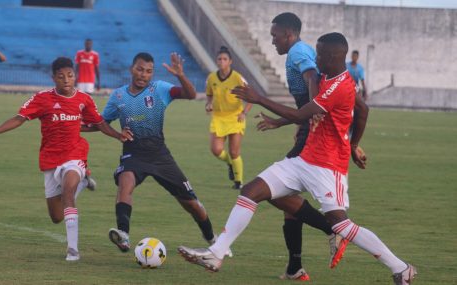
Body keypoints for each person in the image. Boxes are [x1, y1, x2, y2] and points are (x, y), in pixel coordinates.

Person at [178, 33, 416, 285]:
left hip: (328, 168)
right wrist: (353, 144)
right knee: (251, 191)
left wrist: (259, 98)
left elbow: (304, 114)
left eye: (320, 54)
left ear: (334, 56)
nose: (316, 58)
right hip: (304, 160)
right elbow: (360, 110)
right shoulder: (327, 76)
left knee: (341, 226)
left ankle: (401, 268)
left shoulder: (339, 86)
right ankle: (216, 254)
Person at [0, 57, 130, 261]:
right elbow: (19, 118)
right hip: (50, 158)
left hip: (75, 154)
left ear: (75, 76)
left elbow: (99, 124)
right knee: (56, 216)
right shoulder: (42, 99)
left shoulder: (84, 99)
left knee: (68, 192)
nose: (66, 80)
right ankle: (83, 183)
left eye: (70, 75)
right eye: (61, 76)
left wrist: (119, 135)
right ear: (53, 78)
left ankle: (72, 250)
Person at [85, 52, 223, 255]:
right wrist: (74, 125)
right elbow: (100, 123)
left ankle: (212, 239)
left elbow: (191, 94)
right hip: (133, 153)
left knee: (191, 204)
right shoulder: (118, 96)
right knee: (125, 183)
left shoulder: (159, 89)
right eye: (140, 69)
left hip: (160, 155)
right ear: (132, 69)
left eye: (148, 71)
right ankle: (123, 234)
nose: (143, 74)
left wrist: (180, 75)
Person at [260, 12, 359, 280]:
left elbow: (311, 79)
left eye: (274, 35)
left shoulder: (297, 53)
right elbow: (360, 107)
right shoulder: (304, 54)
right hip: (308, 129)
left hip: (314, 136)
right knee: (286, 199)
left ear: (288, 34)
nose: (272, 41)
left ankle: (333, 229)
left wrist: (312, 118)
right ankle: (294, 266)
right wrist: (353, 143)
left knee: (275, 193)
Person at [205, 46, 252, 189]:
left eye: (224, 59)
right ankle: (230, 163)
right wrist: (208, 104)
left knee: (234, 151)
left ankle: (238, 182)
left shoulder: (237, 77)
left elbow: (251, 96)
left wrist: (244, 112)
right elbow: (209, 94)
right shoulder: (212, 78)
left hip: (235, 117)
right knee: (216, 150)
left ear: (230, 61)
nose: (221, 61)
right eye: (219, 59)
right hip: (218, 118)